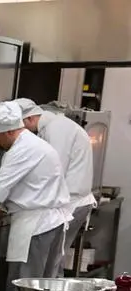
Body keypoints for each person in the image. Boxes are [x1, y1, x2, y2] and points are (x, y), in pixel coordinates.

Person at [0, 100, 73, 291]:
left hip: (37, 227)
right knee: (41, 289)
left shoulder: (21, 149)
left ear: (7, 132)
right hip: (50, 222)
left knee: (23, 290)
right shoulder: (33, 143)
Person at [15, 98, 96, 256]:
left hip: (71, 203)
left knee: (53, 259)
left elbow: (53, 171)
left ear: (29, 118)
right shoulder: (53, 126)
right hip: (70, 201)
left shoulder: (57, 129)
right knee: (54, 260)